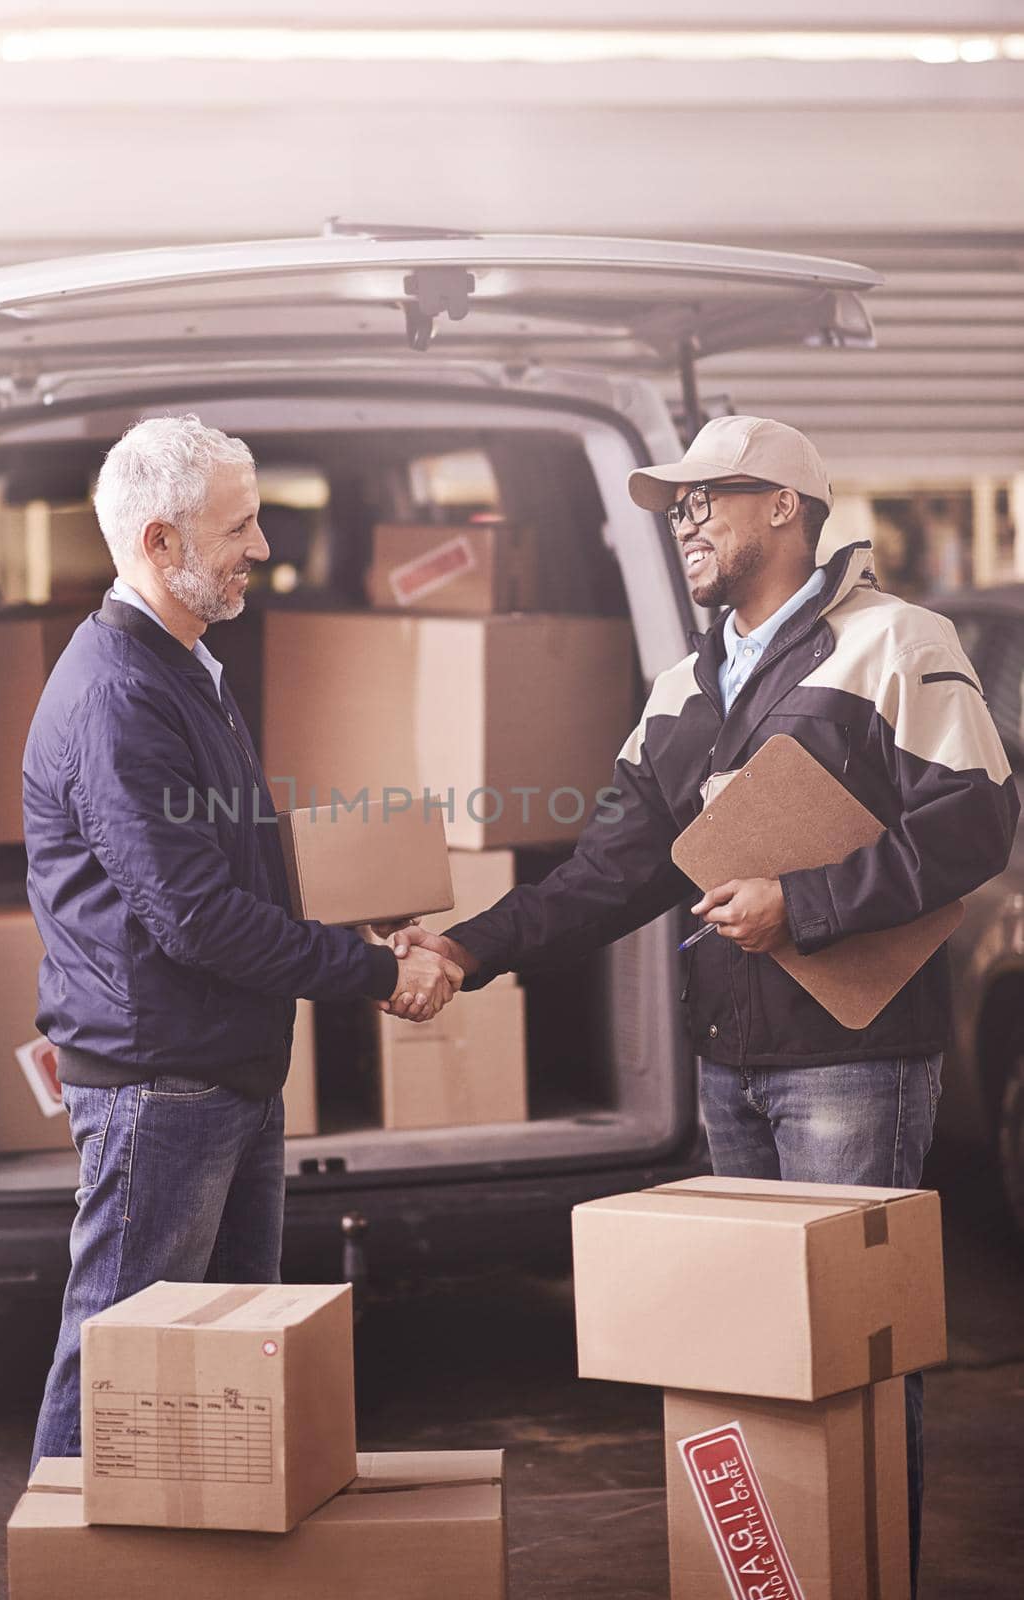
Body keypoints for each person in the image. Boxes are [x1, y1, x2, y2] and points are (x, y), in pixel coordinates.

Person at [386, 414, 1020, 1594]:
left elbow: (978, 818)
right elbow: (612, 870)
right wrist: (470, 947)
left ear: (784, 505)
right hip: (729, 1061)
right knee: (757, 1354)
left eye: (703, 497)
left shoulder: (892, 641)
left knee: (854, 1355)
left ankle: (867, 1573)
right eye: (670, 504)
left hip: (852, 1055)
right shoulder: (686, 682)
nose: (681, 518)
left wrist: (806, 903)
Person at [23, 414, 461, 1469]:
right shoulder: (123, 694)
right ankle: (66, 1565)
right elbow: (196, 918)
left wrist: (354, 918)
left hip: (219, 1074)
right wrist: (374, 972)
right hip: (159, 1084)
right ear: (161, 544)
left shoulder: (185, 665)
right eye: (241, 525)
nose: (263, 547)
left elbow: (221, 866)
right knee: (119, 1366)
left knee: (216, 1379)